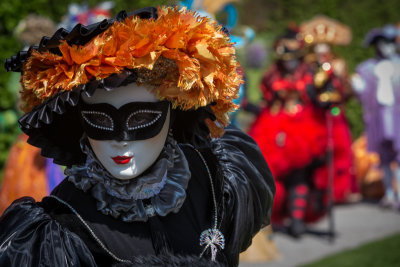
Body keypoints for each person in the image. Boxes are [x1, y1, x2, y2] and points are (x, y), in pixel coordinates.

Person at [0, 7, 275, 266]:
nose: (122, 139)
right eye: (100, 120)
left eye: (142, 117)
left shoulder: (216, 177)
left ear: (173, 112)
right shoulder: (63, 221)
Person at [248, 27, 327, 237]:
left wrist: (326, 97)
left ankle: (297, 219)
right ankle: (269, 220)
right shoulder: (272, 74)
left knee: (299, 175)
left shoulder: (310, 73)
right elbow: (267, 100)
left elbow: (321, 97)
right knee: (270, 175)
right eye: (285, 57)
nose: (288, 61)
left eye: (292, 57)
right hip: (274, 128)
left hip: (303, 128)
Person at [352, 24, 400, 211]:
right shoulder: (368, 69)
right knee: (384, 157)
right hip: (379, 116)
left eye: (388, 43)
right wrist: (357, 86)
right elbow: (363, 92)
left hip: (397, 115)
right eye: (381, 44)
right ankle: (389, 192)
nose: (384, 47)